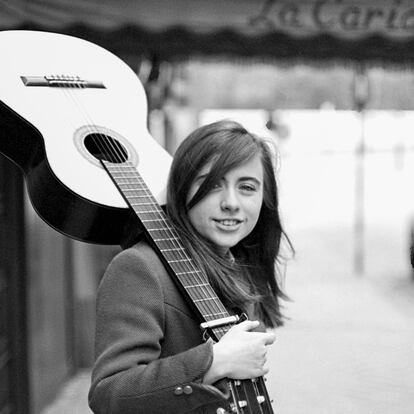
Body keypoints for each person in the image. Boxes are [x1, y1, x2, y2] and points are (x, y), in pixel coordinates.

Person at [88, 119, 291, 414]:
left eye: (247, 187)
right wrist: (214, 361)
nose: (231, 203)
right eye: (211, 185)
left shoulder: (239, 267)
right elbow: (109, 395)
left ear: (264, 199)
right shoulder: (138, 268)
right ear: (181, 190)